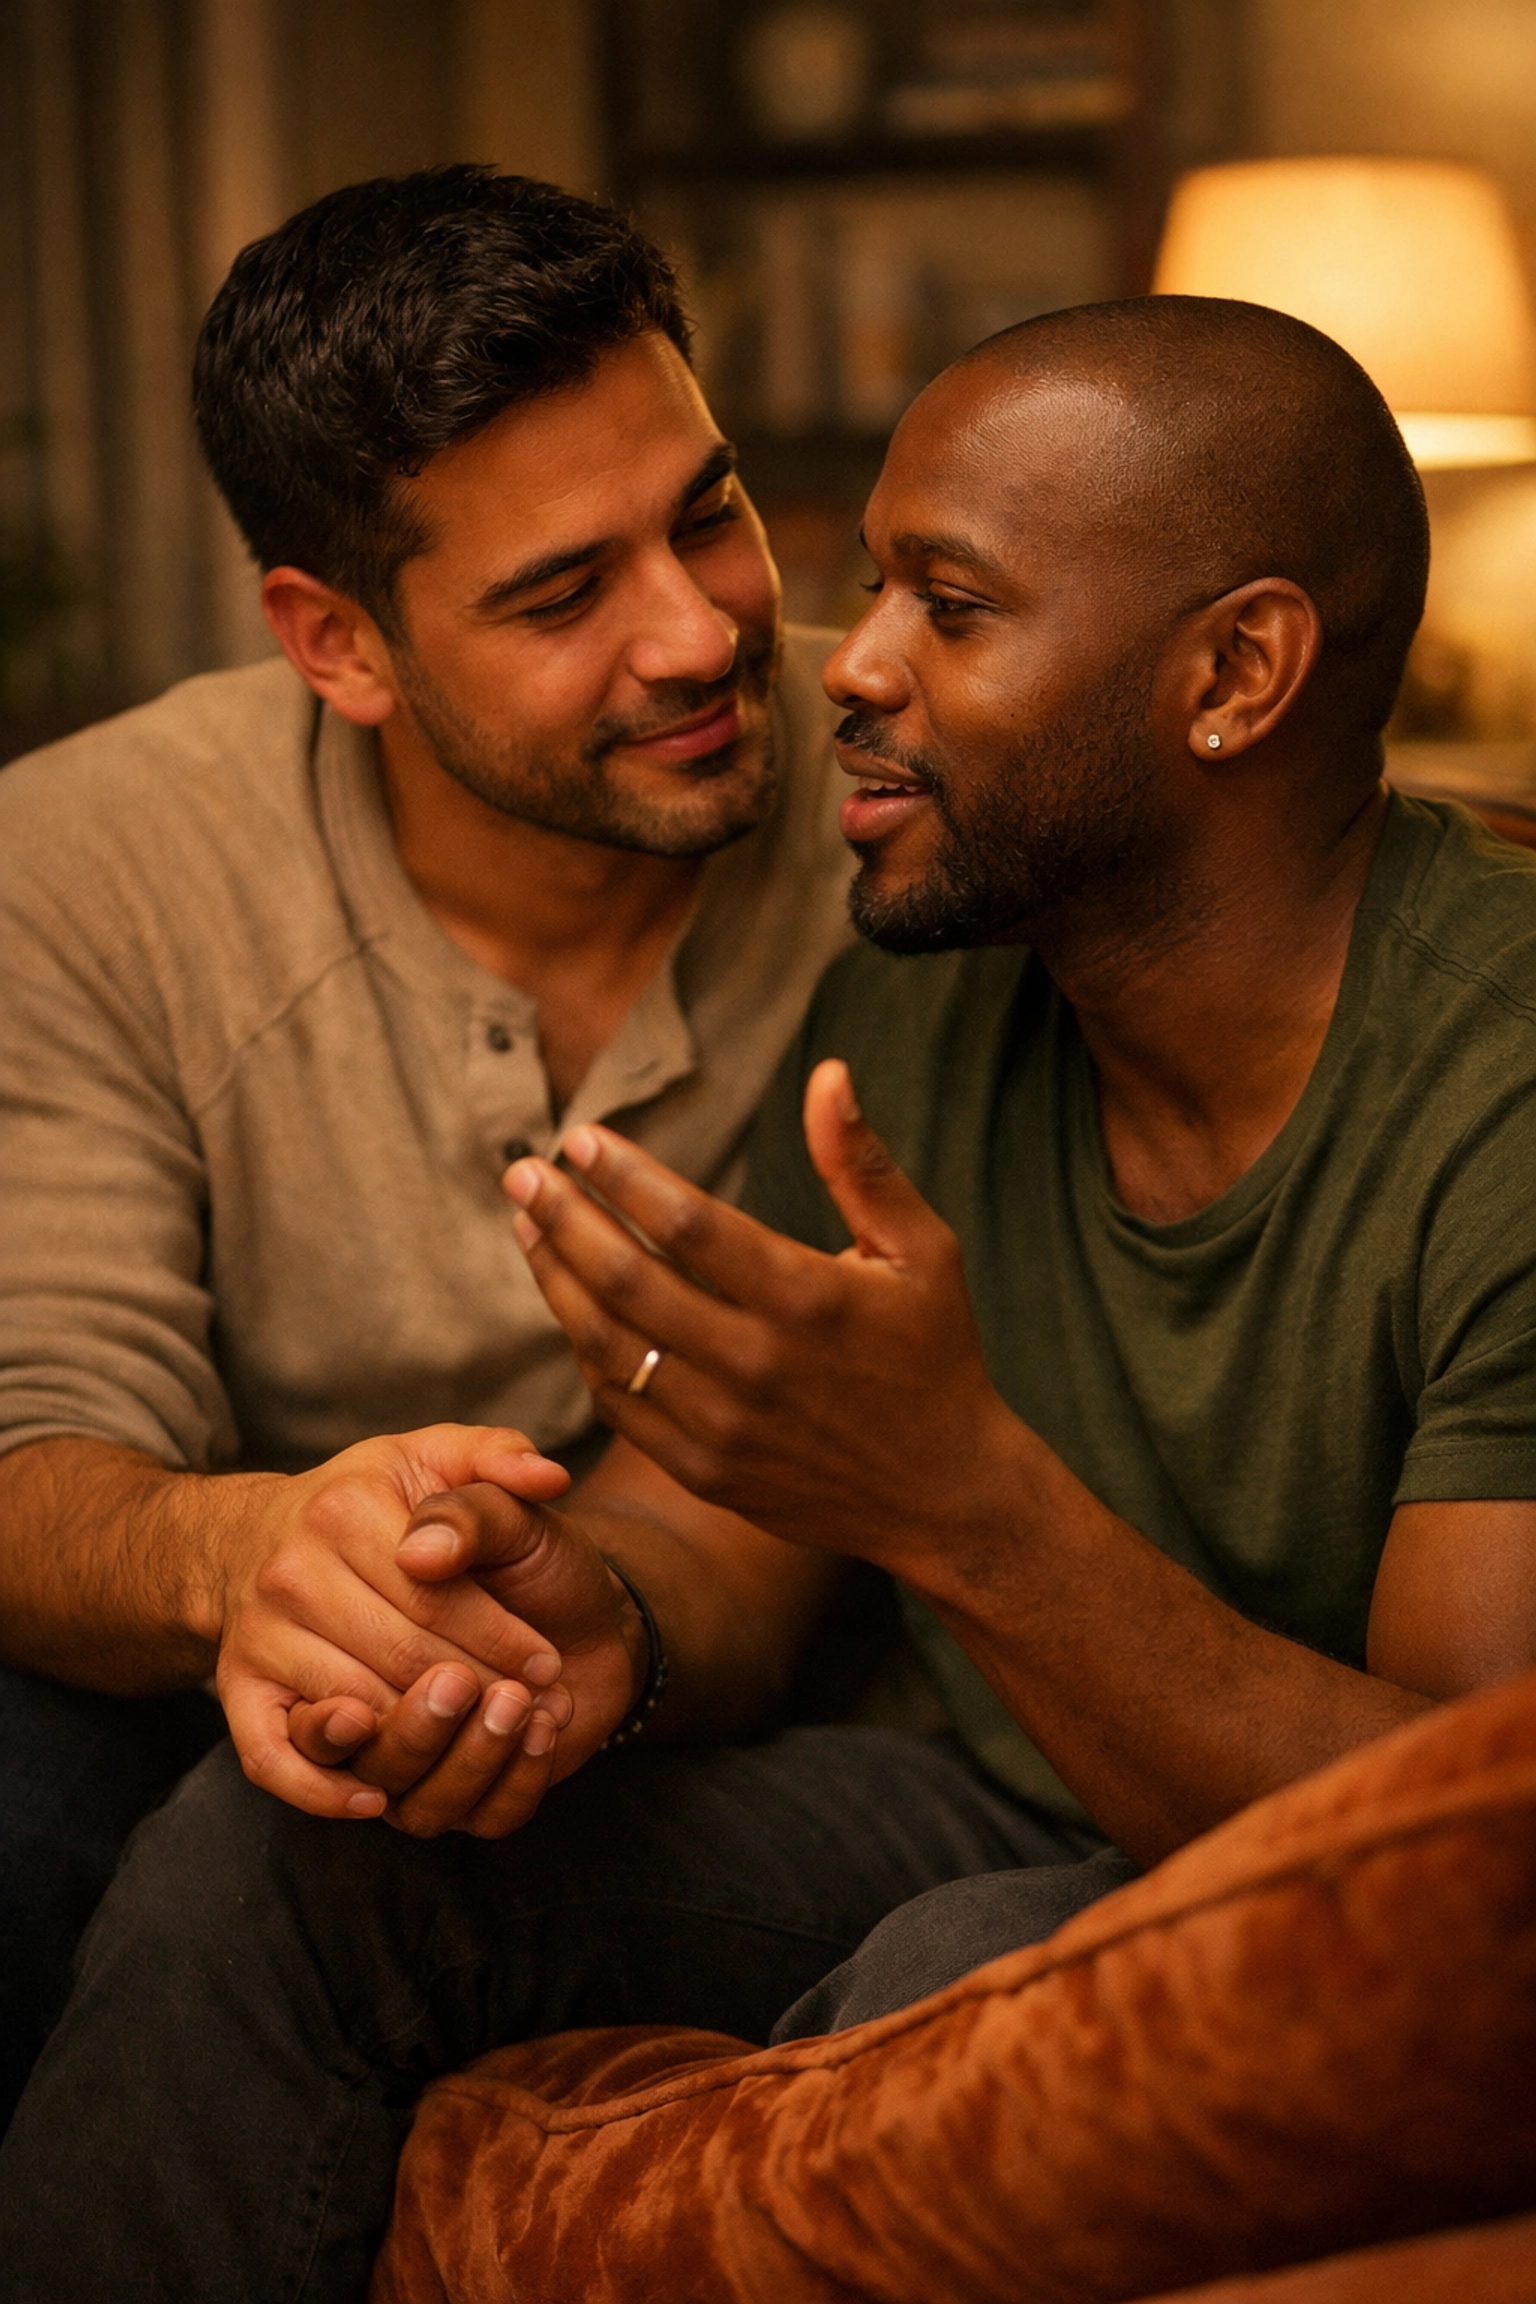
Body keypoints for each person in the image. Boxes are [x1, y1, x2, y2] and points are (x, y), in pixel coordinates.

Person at [8, 293, 1536, 2304]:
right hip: (954, 1778)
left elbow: (1465, 1863)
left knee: (950, 1990)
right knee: (290, 1855)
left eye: (953, 609)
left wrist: (958, 1502)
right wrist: (573, 1629)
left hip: (1257, 1854)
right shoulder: (928, 986)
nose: (839, 666)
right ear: (339, 641)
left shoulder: (1494, 1074)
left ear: (1236, 674)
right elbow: (707, 1542)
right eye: (873, 584)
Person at [0, 164, 863, 2124]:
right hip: (223, 1671)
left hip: (717, 1667)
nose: (700, 635)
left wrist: (581, 1616)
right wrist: (259, 1555)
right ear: (339, 642)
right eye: (562, 594)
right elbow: (31, 1447)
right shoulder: (85, 870)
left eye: (707, 516)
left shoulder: (915, 800)